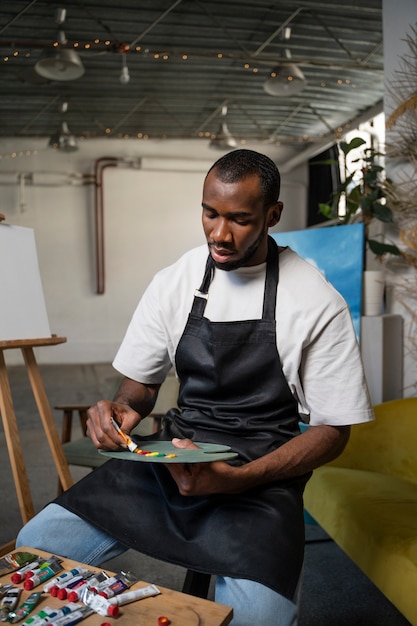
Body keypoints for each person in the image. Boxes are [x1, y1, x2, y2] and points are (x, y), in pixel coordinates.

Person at [17, 149, 373, 626]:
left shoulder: (314, 299)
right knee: (36, 547)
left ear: (273, 215)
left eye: (240, 219)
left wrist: (241, 479)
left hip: (258, 479)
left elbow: (334, 431)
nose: (219, 234)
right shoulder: (177, 280)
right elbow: (140, 386)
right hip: (172, 458)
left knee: (262, 620)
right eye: (210, 213)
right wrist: (122, 410)